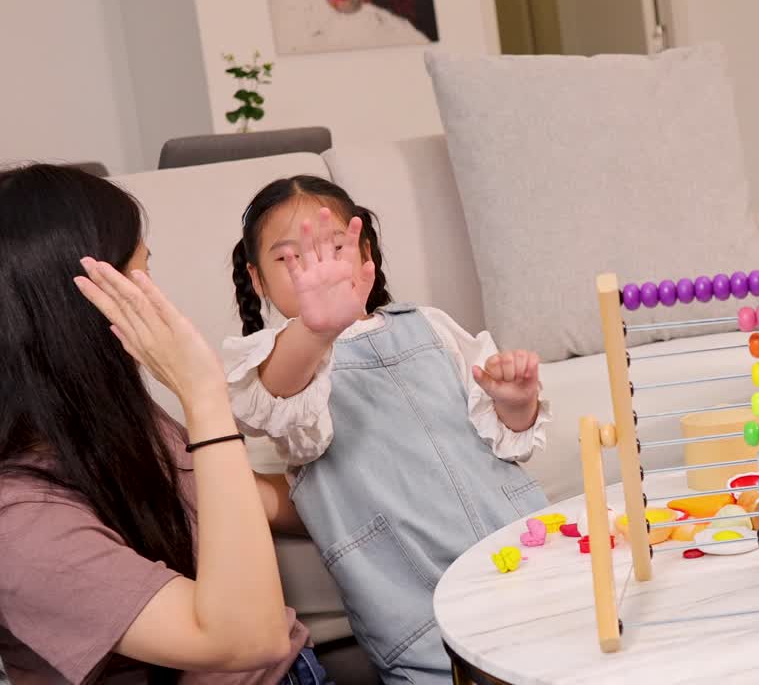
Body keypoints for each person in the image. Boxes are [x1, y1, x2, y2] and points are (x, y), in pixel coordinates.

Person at [0, 164, 319, 684]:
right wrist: (203, 395)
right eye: (138, 274)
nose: (158, 296)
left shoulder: (105, 416)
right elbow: (251, 639)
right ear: (75, 308)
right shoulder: (19, 525)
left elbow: (244, 498)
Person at [225, 175, 550, 683]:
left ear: (365, 256)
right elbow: (271, 400)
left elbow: (507, 436)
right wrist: (315, 329)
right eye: (290, 259)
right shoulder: (278, 361)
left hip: (520, 548)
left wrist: (517, 403)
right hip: (414, 598)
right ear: (258, 280)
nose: (318, 269)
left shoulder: (431, 324)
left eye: (334, 248)